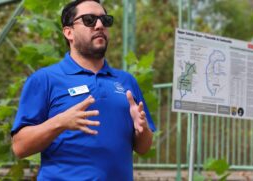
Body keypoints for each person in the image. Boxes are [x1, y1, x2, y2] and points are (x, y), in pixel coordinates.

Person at [11, 0, 156, 180]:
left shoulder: (126, 81)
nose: (100, 25)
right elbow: (19, 147)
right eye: (89, 20)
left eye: (105, 20)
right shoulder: (44, 79)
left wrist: (142, 130)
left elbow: (143, 148)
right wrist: (60, 122)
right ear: (68, 32)